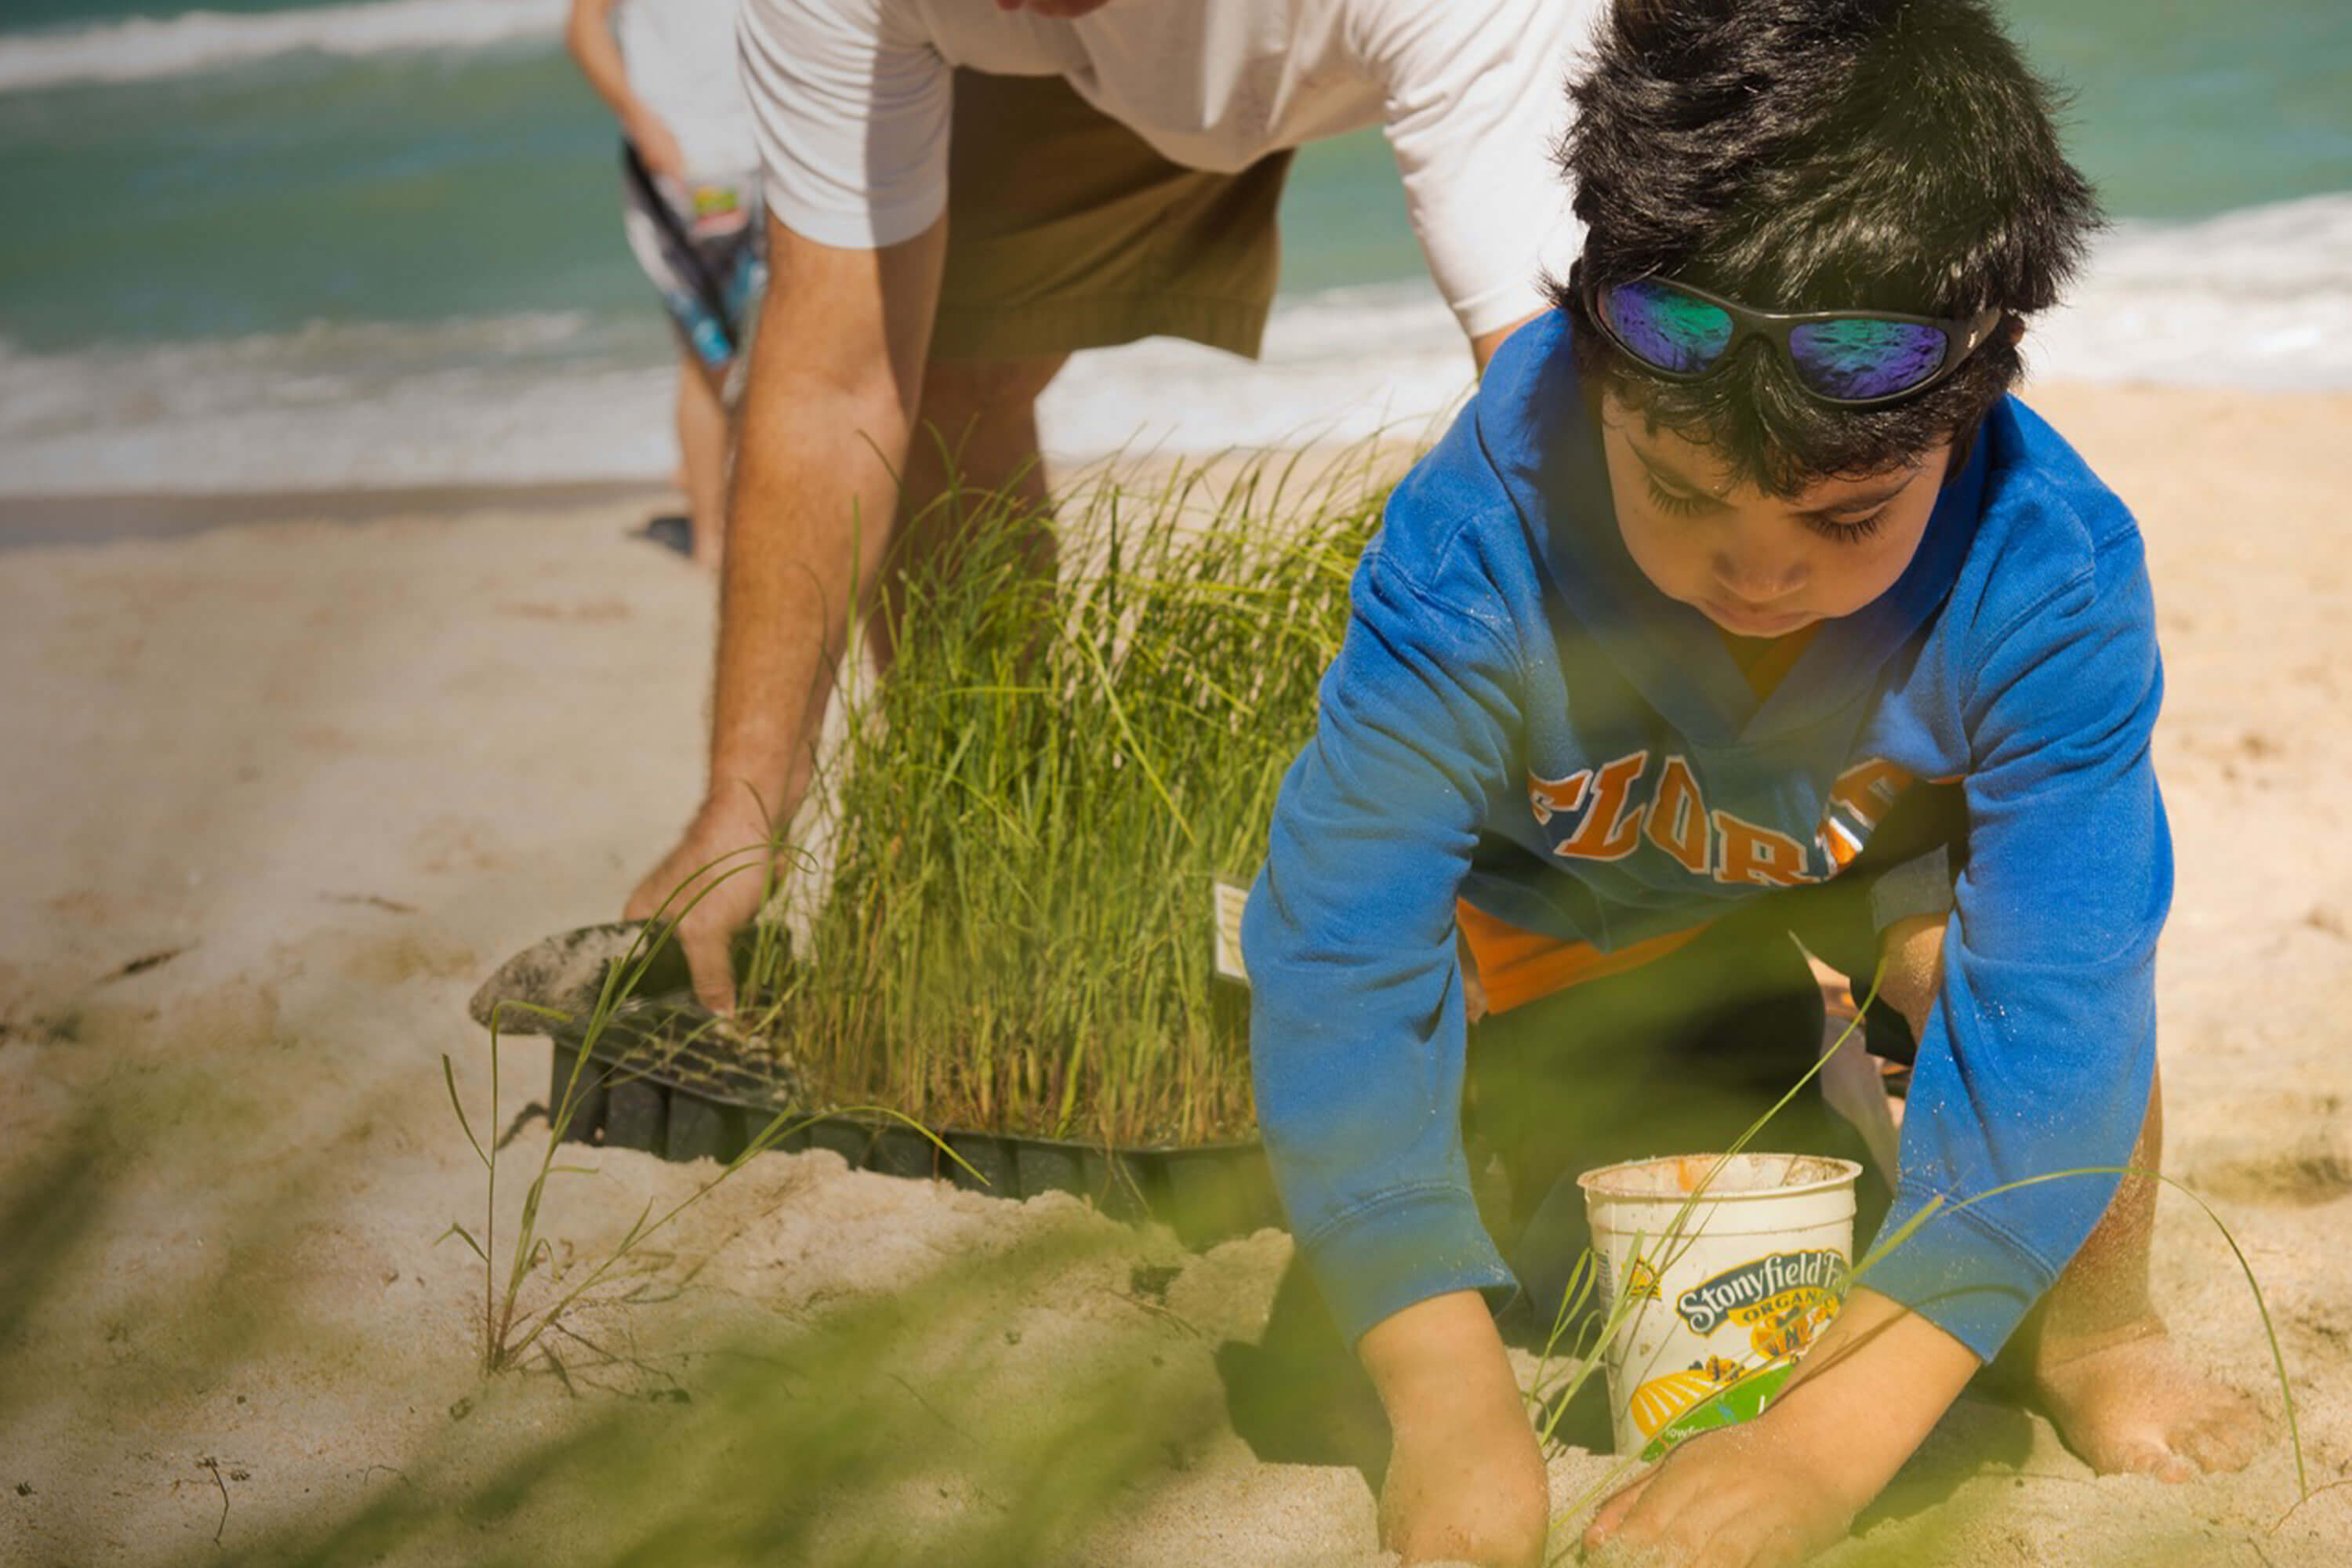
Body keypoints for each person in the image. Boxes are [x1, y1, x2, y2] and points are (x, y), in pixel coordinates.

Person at [1240, 2, 2263, 1563]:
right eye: (1678, 492)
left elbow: (2063, 1008)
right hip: (1563, 906)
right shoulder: (1478, 536)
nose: (1758, 571)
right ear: (1595, 357)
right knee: (1538, 1234)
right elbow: (1338, 947)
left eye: (1848, 523)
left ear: (1972, 408)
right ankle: (1771, 1069)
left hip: (1870, 868)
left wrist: (1819, 1454)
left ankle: (2098, 1341)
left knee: (2008, 981)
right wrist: (1447, 1401)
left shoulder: (2048, 569)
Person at [623, 0, 1606, 1009]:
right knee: (951, 373)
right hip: (1084, 76)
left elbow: (1560, 407)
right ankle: (1001, 851)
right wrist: (741, 813)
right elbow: (837, 385)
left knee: (1653, 357)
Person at [568, 0, 768, 568]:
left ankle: (744, 505)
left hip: (776, 144)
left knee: (786, 340)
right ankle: (711, 539)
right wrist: (640, 117)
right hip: (687, 163)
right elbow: (583, 28)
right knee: (709, 357)